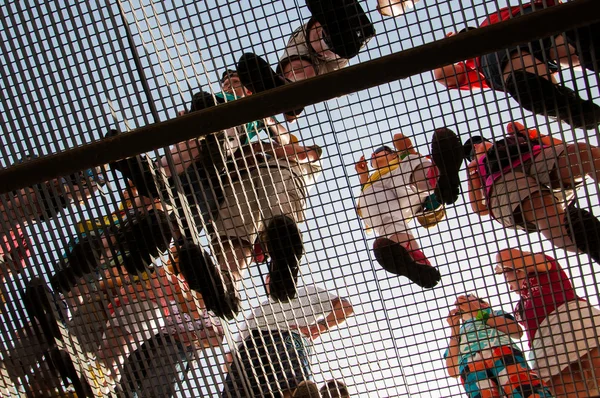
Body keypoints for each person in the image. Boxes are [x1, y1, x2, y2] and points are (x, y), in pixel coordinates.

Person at [177, 138, 323, 320]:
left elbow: (300, 154)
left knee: (278, 215)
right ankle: (228, 285)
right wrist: (248, 156)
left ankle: (284, 258)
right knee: (234, 235)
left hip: (279, 172)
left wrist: (261, 148)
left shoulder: (312, 157)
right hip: (242, 179)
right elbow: (235, 159)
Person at [433, 0, 600, 130]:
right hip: (525, 38)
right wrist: (447, 48)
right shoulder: (476, 64)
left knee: (564, 45)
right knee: (564, 46)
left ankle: (566, 105)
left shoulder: (479, 62)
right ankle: (566, 103)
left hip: (529, 31)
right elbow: (443, 75)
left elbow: (444, 76)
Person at [465, 121, 600, 265]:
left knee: (583, 153)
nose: (475, 146)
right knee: (540, 206)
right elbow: (479, 208)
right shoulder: (478, 169)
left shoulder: (515, 140)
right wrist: (472, 174)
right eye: (472, 152)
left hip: (534, 156)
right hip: (500, 180)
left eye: (478, 142)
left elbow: (562, 147)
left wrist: (530, 133)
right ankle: (592, 242)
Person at [354, 128, 463, 288]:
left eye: (378, 152)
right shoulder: (371, 178)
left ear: (393, 154)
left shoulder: (399, 161)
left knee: (410, 164)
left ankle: (438, 176)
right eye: (372, 159)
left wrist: (403, 149)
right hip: (383, 197)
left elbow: (400, 140)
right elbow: (366, 187)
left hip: (406, 192)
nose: (373, 156)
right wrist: (363, 173)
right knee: (372, 200)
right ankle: (415, 261)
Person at [236, 0, 375, 121]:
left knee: (312, 62)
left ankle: (292, 89)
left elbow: (291, 119)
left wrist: (291, 111)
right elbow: (291, 119)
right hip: (316, 48)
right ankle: (293, 89)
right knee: (311, 63)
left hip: (327, 45)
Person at [221, 276, 354, 397]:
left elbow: (345, 307)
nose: (271, 279)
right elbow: (231, 357)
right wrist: (232, 360)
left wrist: (321, 326)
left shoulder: (307, 292)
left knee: (291, 386)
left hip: (287, 337)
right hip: (251, 346)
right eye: (269, 277)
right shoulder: (258, 311)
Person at [495, 248, 600, 397]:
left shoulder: (547, 269)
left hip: (574, 325)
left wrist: (502, 266)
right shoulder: (519, 307)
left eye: (506, 276)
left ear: (516, 270)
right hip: (545, 348)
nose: (509, 286)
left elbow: (505, 256)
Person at [444, 294, 554, 398]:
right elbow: (453, 371)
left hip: (500, 350)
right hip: (469, 362)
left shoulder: (494, 313)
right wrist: (455, 329)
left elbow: (517, 331)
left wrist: (478, 313)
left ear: (484, 304)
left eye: (469, 298)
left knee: (523, 389)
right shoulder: (460, 331)